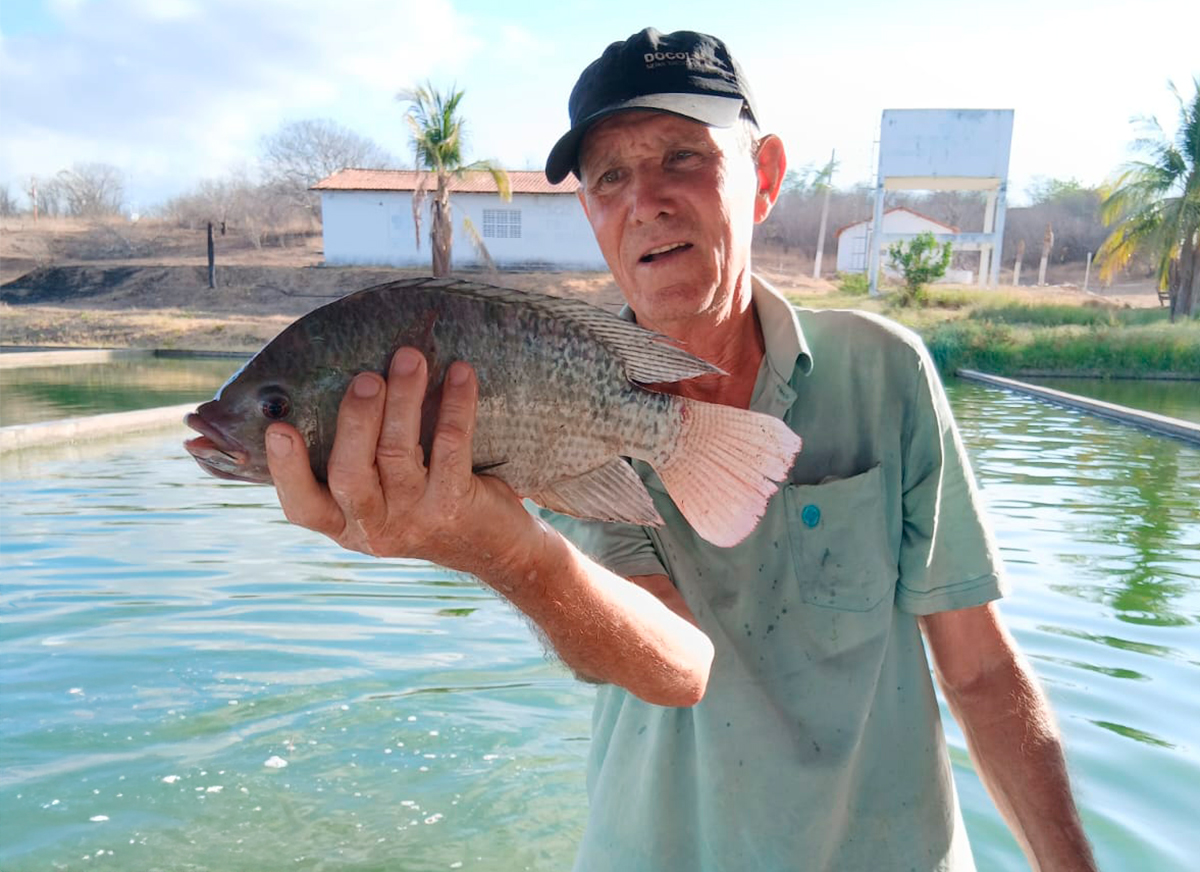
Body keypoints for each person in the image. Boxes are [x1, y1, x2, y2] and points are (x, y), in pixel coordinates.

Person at [264, 27, 1099, 872]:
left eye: (683, 158)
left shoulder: (887, 373)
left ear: (765, 178)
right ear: (591, 213)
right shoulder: (549, 394)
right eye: (610, 178)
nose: (646, 201)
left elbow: (983, 673)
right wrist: (501, 549)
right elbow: (675, 662)